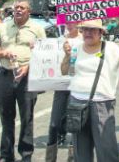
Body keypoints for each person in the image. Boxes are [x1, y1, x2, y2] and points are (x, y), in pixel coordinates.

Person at [61, 19, 119, 162]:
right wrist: (67, 56)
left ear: (101, 32)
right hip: (77, 103)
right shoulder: (76, 48)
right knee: (81, 149)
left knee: (106, 148)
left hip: (102, 102)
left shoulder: (111, 48)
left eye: (93, 30)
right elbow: (64, 71)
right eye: (85, 29)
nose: (88, 33)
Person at [0, 0, 47, 162]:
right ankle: (6, 155)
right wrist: (3, 53)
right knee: (6, 117)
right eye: (16, 7)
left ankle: (26, 155)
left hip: (28, 77)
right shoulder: (2, 28)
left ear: (29, 11)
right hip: (5, 75)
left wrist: (28, 66)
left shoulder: (37, 29)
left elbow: (44, 55)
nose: (18, 10)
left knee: (26, 117)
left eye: (22, 8)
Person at [46, 22, 82, 162]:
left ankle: (72, 157)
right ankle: (50, 158)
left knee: (74, 123)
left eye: (72, 21)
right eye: (67, 21)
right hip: (61, 86)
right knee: (54, 123)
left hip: (78, 87)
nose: (69, 24)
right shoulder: (59, 39)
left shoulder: (84, 40)